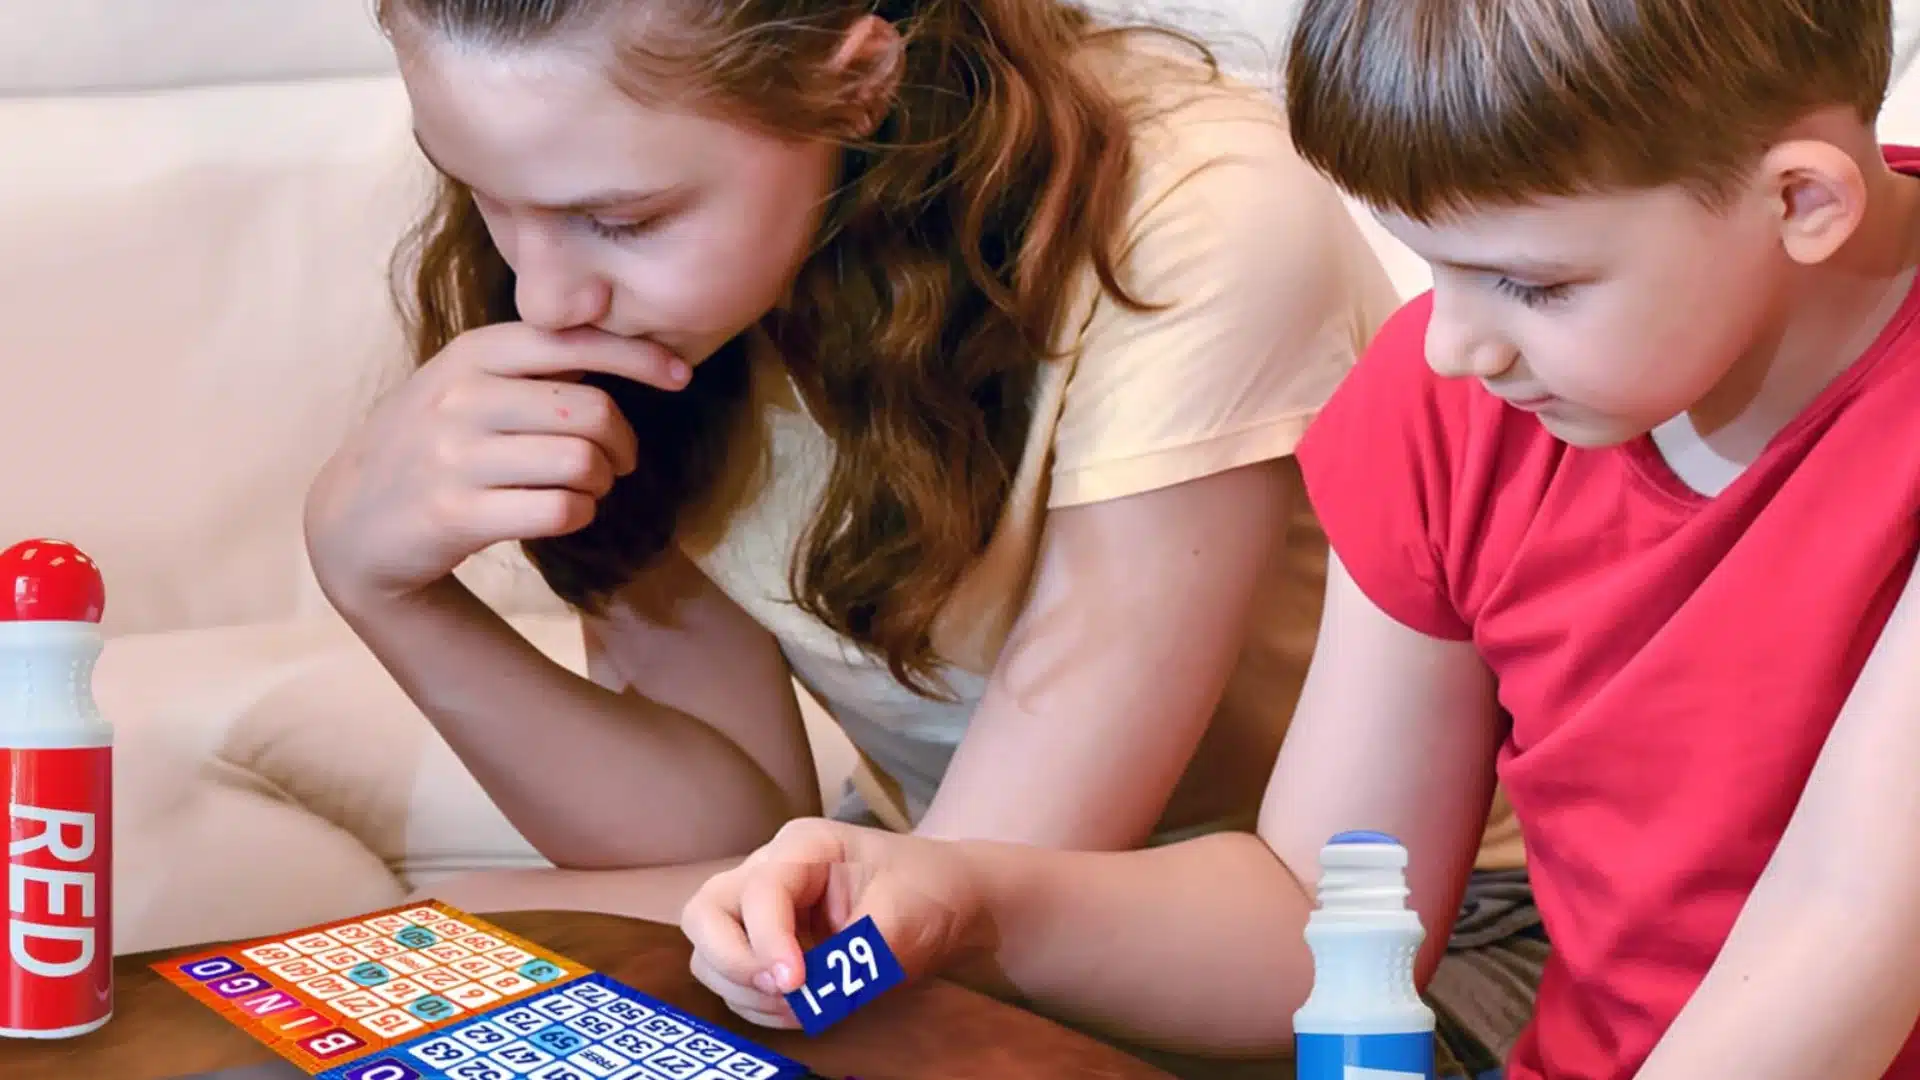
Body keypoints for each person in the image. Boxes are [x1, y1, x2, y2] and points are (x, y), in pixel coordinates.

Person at [678, 1, 1920, 1078]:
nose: (1453, 348)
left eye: (1533, 285)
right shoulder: (1452, 409)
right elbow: (1315, 915)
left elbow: (1847, 926)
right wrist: (971, 898)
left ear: (1802, 200)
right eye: (1437, 269)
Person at [304, 0, 1460, 947]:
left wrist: (460, 922)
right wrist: (380, 585)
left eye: (621, 219)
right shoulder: (666, 299)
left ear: (857, 81)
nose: (546, 297)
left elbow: (976, 889)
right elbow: (726, 820)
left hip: (1358, 949)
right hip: (920, 904)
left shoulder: (1192, 220)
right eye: (486, 197)